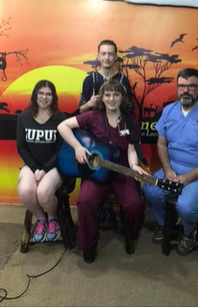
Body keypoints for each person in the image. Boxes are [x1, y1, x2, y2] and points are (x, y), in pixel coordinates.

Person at [142, 68, 198, 255]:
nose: (185, 90)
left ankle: (190, 232)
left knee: (186, 205)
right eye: (181, 86)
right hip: (172, 169)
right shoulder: (168, 111)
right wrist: (166, 169)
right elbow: (162, 145)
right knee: (149, 189)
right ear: (177, 87)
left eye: (191, 86)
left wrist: (187, 178)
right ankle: (167, 223)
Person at [58, 79, 147, 263]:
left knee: (135, 205)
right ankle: (88, 244)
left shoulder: (131, 120)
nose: (112, 98)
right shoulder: (93, 116)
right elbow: (62, 126)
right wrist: (77, 147)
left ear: (122, 97)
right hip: (97, 168)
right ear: (102, 97)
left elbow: (131, 148)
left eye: (116, 94)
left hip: (121, 166)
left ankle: (130, 229)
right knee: (86, 200)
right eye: (107, 94)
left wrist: (133, 166)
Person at [17, 80, 67, 243]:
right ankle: (41, 219)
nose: (44, 97)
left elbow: (61, 150)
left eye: (48, 94)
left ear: (53, 97)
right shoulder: (24, 117)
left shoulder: (60, 118)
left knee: (43, 192)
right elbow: (21, 147)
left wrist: (44, 169)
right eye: (41, 93)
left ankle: (53, 219)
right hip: (32, 165)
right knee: (25, 190)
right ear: (35, 95)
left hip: (54, 166)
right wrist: (35, 168)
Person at [79, 39, 134, 114]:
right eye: (103, 54)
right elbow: (81, 110)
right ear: (98, 56)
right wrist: (89, 104)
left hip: (117, 123)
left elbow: (129, 109)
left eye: (110, 54)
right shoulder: (89, 80)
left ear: (115, 57)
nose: (107, 58)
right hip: (93, 124)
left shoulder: (123, 80)